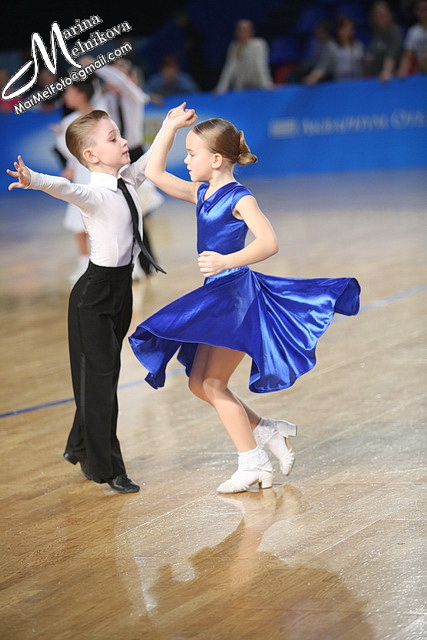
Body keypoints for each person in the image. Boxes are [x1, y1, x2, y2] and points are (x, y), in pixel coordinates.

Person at [128, 103, 361, 494]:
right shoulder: (202, 193)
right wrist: (168, 126)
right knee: (199, 383)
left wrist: (227, 260)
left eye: (191, 153)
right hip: (217, 295)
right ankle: (267, 431)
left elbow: (269, 242)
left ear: (216, 160)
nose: (186, 160)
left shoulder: (240, 198)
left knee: (212, 383)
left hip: (235, 299)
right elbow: (153, 173)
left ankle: (252, 463)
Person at [6, 110, 166, 493]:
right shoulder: (93, 194)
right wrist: (33, 179)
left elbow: (150, 160)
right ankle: (107, 468)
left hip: (120, 291)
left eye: (120, 135)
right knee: (100, 383)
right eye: (113, 138)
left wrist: (171, 126)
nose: (123, 141)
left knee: (103, 376)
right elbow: (65, 188)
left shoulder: (128, 181)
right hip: (93, 297)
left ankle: (78, 445)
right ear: (91, 156)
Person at [81, 55, 164, 278]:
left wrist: (98, 66)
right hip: (113, 159)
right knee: (124, 213)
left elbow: (120, 81)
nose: (113, 80)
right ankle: (135, 265)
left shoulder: (135, 96)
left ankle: (146, 264)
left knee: (138, 213)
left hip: (135, 155)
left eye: (118, 75)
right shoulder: (104, 101)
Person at [53, 77, 105, 284]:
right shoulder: (68, 121)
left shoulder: (100, 115)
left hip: (102, 172)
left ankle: (111, 262)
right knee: (78, 219)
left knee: (105, 217)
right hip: (82, 175)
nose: (66, 96)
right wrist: (71, 165)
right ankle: (84, 263)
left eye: (70, 91)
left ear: (81, 93)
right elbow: (70, 153)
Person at [214, 19, 274, 94]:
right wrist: (221, 88)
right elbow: (229, 68)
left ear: (251, 31)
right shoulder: (234, 47)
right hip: (241, 87)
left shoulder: (258, 44)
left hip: (258, 85)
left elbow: (261, 65)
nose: (243, 32)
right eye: (240, 30)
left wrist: (268, 85)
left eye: (246, 30)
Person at [304, 16, 365, 84]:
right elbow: (323, 67)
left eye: (350, 29)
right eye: (345, 28)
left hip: (357, 84)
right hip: (339, 84)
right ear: (338, 30)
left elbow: (365, 66)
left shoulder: (358, 46)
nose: (348, 31)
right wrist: (312, 77)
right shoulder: (331, 47)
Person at [365, 1, 403, 82]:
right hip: (375, 77)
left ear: (389, 15)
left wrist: (386, 71)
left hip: (390, 78)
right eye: (377, 15)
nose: (380, 17)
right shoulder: (375, 32)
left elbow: (392, 54)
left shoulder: (394, 31)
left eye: (383, 14)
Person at [397, 0, 427, 76]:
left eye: (426, 9)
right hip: (423, 72)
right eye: (421, 10)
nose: (425, 13)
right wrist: (402, 70)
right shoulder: (413, 32)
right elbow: (407, 56)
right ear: (416, 12)